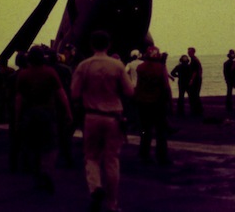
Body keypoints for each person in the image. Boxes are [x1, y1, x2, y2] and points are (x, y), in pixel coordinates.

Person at [71, 31, 134, 212]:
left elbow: (74, 93)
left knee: (91, 157)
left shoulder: (84, 66)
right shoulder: (117, 65)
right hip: (114, 117)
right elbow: (129, 92)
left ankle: (95, 188)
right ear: (109, 45)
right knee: (112, 160)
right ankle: (112, 204)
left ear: (92, 45)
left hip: (91, 116)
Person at [15, 46, 72, 194]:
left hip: (30, 114)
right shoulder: (50, 72)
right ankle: (47, 170)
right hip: (48, 114)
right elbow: (62, 94)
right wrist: (68, 112)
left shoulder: (23, 74)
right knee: (51, 146)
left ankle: (37, 176)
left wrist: (16, 117)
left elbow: (19, 98)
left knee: (33, 147)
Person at [135, 46, 173, 165]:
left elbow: (139, 85)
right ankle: (162, 157)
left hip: (143, 104)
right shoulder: (161, 68)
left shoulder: (140, 68)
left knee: (145, 131)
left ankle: (143, 154)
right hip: (158, 104)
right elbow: (166, 87)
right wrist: (169, 102)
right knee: (161, 132)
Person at [187, 47, 204, 116]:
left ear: (193, 52)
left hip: (196, 80)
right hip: (198, 79)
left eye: (189, 51)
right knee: (195, 94)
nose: (188, 53)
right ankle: (198, 109)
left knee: (194, 94)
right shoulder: (194, 59)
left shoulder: (194, 60)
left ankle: (197, 110)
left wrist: (191, 80)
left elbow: (195, 72)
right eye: (188, 51)